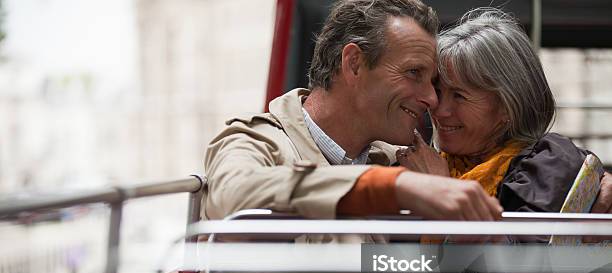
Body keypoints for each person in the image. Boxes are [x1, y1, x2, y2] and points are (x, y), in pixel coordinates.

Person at [203, 0, 502, 226]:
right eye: (414, 73)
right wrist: (392, 187)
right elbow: (231, 195)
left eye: (432, 81)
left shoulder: (404, 161)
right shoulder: (254, 141)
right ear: (354, 64)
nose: (432, 99)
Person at [398, 8, 611, 216]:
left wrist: (441, 190)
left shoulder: (547, 167)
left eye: (459, 96)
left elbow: (518, 251)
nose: (439, 109)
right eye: (437, 91)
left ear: (509, 106)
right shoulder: (424, 162)